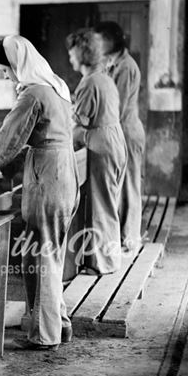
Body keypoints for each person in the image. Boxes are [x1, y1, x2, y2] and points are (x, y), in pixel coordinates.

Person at [0, 35, 79, 350]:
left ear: (17, 63)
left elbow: (8, 138)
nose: (5, 75)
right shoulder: (56, 86)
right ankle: (60, 325)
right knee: (49, 252)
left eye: (6, 69)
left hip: (48, 175)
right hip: (64, 170)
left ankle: (45, 336)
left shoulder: (32, 94)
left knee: (40, 255)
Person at [68, 28, 126, 275]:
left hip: (101, 145)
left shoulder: (89, 82)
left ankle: (104, 264)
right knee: (109, 203)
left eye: (71, 53)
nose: (70, 58)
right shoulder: (104, 78)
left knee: (101, 206)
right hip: (114, 141)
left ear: (81, 54)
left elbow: (80, 120)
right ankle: (107, 259)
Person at [94, 22, 145, 251]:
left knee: (130, 186)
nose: (96, 45)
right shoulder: (110, 62)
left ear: (112, 40)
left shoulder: (126, 66)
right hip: (118, 132)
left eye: (100, 40)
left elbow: (118, 107)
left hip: (127, 132)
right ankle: (122, 238)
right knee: (120, 186)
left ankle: (131, 239)